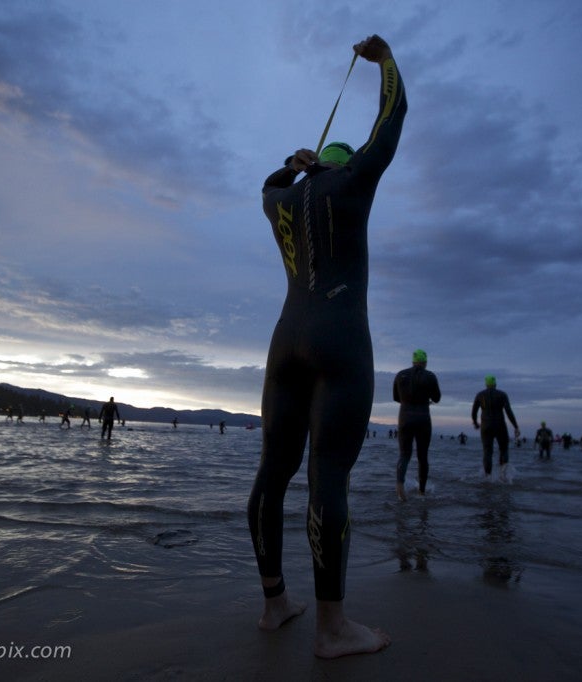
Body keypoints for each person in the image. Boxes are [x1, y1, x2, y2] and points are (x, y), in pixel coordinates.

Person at [247, 34, 405, 659]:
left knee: (273, 473)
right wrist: (385, 61)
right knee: (327, 477)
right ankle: (333, 630)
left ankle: (274, 604)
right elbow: (390, 120)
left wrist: (293, 166)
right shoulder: (353, 179)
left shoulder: (280, 199)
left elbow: (268, 180)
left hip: (285, 344)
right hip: (340, 339)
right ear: (340, 162)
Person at [392, 349, 441, 500]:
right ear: (425, 362)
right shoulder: (430, 376)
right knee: (422, 456)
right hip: (423, 419)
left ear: (413, 361)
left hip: (405, 417)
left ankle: (400, 486)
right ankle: (422, 491)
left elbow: (396, 397)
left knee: (404, 455)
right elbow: (437, 398)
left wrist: (408, 402)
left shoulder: (400, 375)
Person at [471, 375, 520, 479]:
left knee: (487, 451)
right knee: (504, 449)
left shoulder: (480, 395)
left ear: (486, 384)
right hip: (500, 425)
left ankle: (488, 477)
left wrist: (475, 423)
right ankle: (503, 475)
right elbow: (508, 411)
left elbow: (474, 412)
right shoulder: (502, 394)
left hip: (486, 426)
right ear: (495, 384)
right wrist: (516, 426)